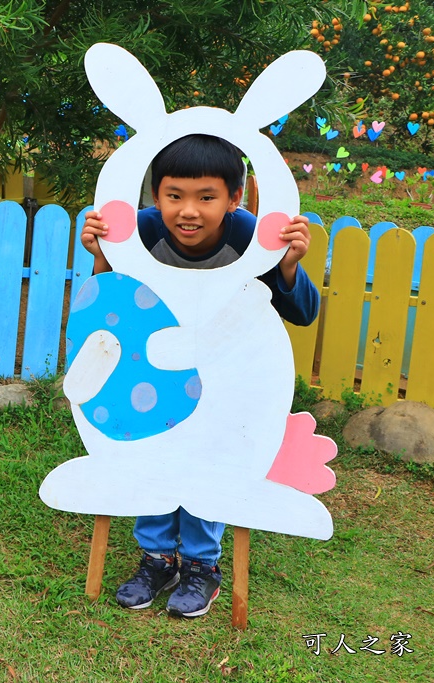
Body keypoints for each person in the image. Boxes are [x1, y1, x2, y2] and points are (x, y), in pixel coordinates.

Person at [79, 133, 320, 618]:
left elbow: (302, 312)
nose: (188, 211)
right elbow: (110, 297)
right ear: (156, 195)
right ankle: (156, 558)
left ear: (234, 198)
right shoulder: (141, 231)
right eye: (174, 196)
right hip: (158, 370)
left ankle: (202, 566)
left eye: (206, 197)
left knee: (212, 458)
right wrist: (101, 253)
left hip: (227, 379)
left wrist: (288, 265)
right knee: (152, 452)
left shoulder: (252, 239)